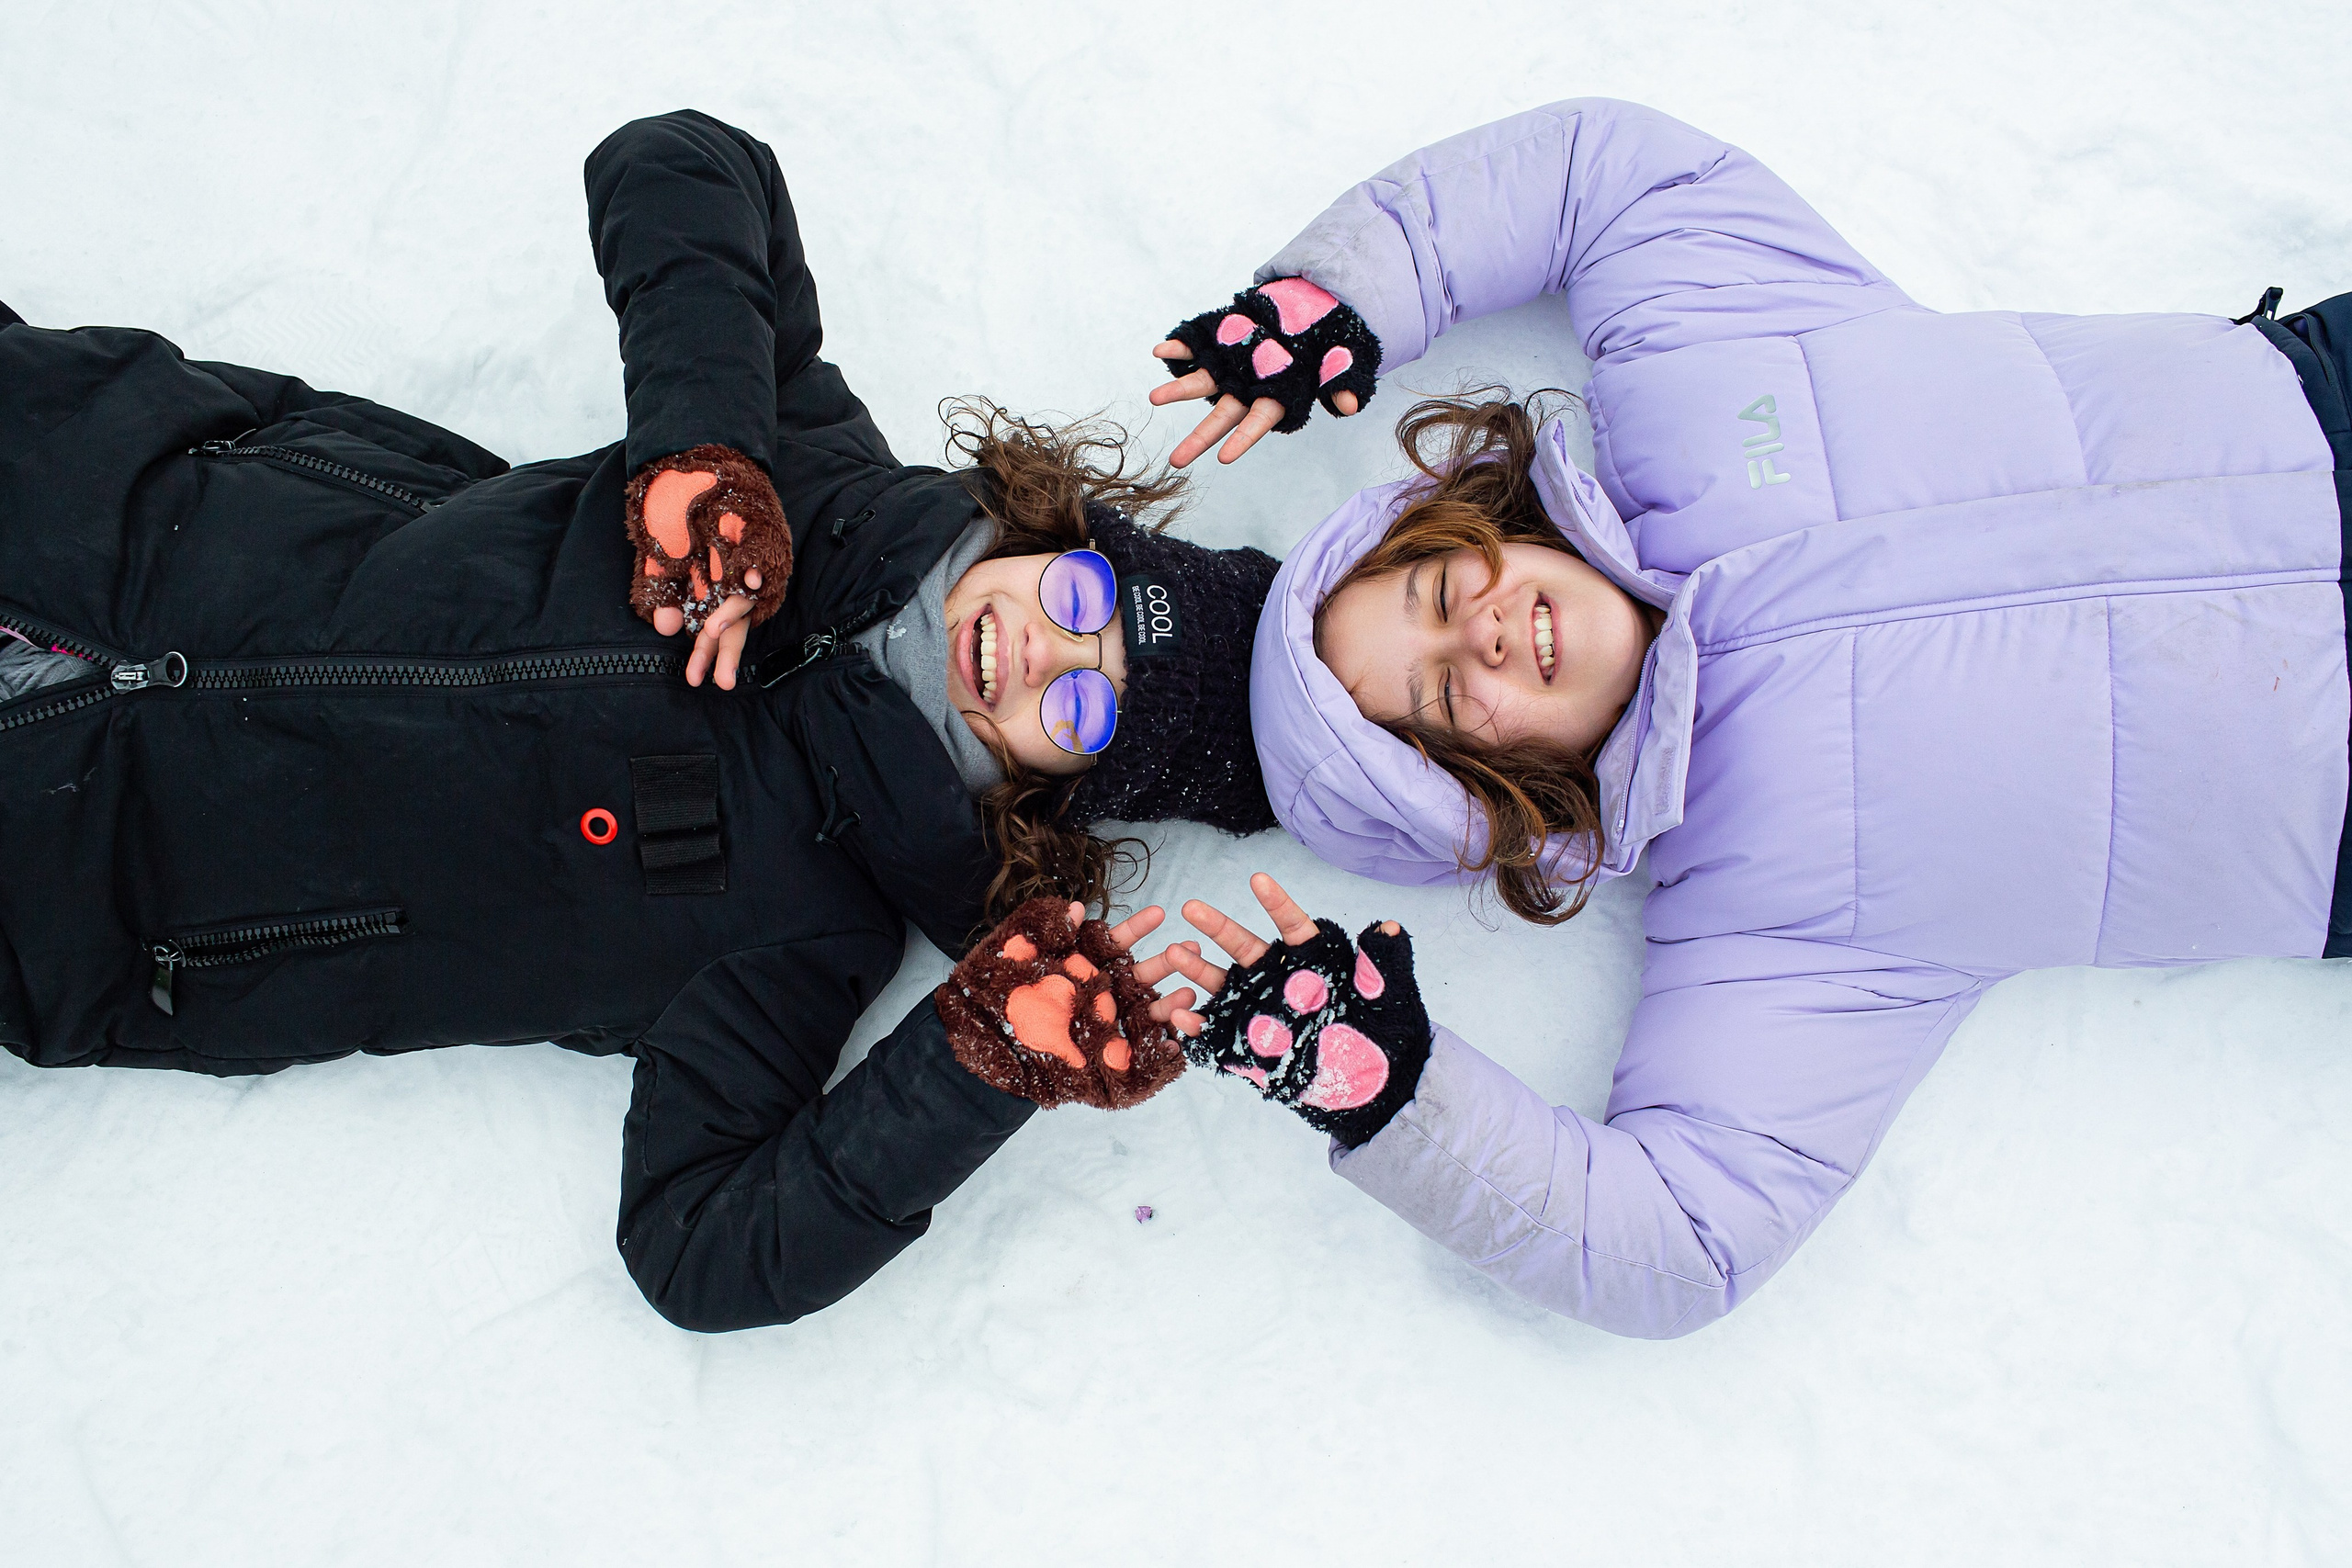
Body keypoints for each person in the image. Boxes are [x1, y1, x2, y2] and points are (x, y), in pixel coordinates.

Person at [0, 109, 1280, 1332]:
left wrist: (975, 1065)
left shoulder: (802, 933)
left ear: (1048, 787)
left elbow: (704, 1248)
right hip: (82, 484)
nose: (1044, 646)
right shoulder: (813, 470)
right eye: (1084, 600)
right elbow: (681, 162)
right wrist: (706, 452)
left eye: (1081, 700)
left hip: (74, 891)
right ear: (1068, 542)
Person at [1144, 97, 2352, 1337]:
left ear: (1469, 524)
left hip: (2321, 407)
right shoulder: (1770, 919)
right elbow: (1680, 1241)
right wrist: (1392, 1091)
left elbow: (1600, 172)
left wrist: (1346, 291)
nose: (1487, 632)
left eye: (1444, 591)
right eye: (1449, 698)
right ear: (1495, 789)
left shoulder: (1696, 366)